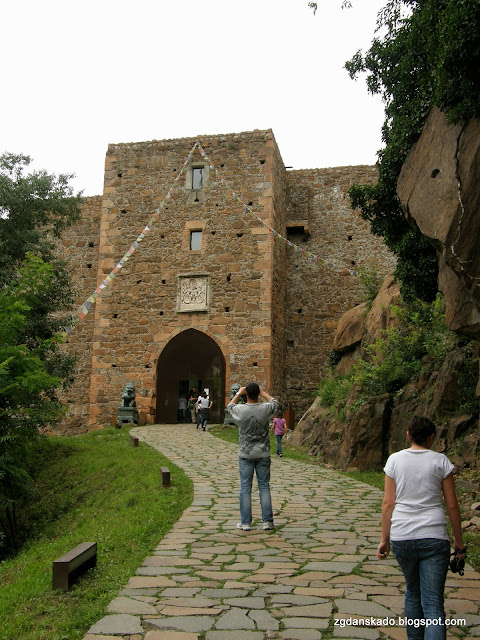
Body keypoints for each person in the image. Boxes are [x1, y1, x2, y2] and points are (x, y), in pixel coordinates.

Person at [377, 416, 466, 640]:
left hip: (403, 536)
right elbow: (452, 505)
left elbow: (388, 503)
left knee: (413, 592)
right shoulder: (441, 461)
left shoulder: (394, 460)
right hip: (434, 536)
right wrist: (459, 542)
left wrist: (384, 540)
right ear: (432, 437)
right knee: (434, 603)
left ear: (408, 435)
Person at [227, 383, 280, 531]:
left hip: (246, 453)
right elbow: (276, 403)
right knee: (264, 487)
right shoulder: (265, 409)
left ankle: (245, 523)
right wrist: (263, 393)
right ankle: (267, 521)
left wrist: (238, 393)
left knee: (245, 488)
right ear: (257, 393)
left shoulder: (241, 410)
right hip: (263, 452)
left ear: (246, 395)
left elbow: (229, 407)